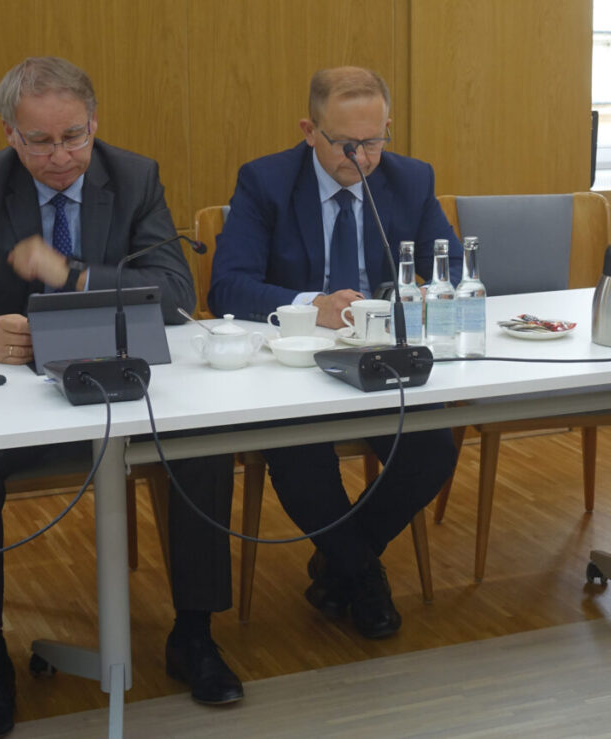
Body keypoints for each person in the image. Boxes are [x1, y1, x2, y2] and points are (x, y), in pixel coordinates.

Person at [0, 57, 241, 737]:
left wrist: (74, 273)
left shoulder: (134, 176)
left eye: (74, 137)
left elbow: (177, 294)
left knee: (202, 444)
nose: (60, 156)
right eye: (39, 141)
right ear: (10, 133)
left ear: (95, 123)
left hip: (123, 385)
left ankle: (194, 634)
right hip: (19, 402)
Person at [210, 66, 459, 639]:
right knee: (300, 456)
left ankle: (342, 563)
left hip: (380, 358)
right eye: (347, 144)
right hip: (292, 367)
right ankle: (363, 577)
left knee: (432, 450)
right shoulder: (266, 182)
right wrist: (312, 304)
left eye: (374, 141)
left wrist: (429, 292)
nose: (362, 158)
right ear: (309, 130)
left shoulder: (410, 179)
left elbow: (446, 269)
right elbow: (227, 287)